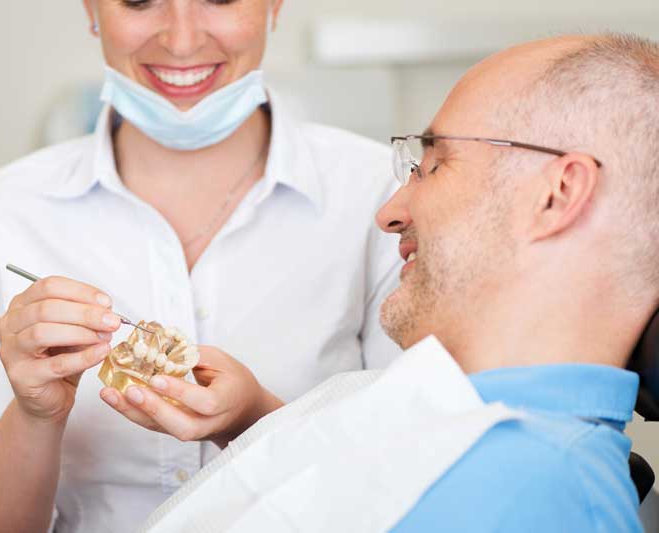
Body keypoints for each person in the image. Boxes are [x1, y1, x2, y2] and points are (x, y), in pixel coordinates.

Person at [111, 33, 659, 532]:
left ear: (557, 194)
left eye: (436, 164)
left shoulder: (535, 496)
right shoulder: (438, 412)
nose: (390, 213)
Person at [0, 1, 402, 532]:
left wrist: (253, 421)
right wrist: (35, 416)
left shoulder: (382, 198)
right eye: (139, 0)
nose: (180, 41)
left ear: (273, 5)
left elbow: (418, 473)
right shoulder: (1, 213)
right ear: (92, 9)